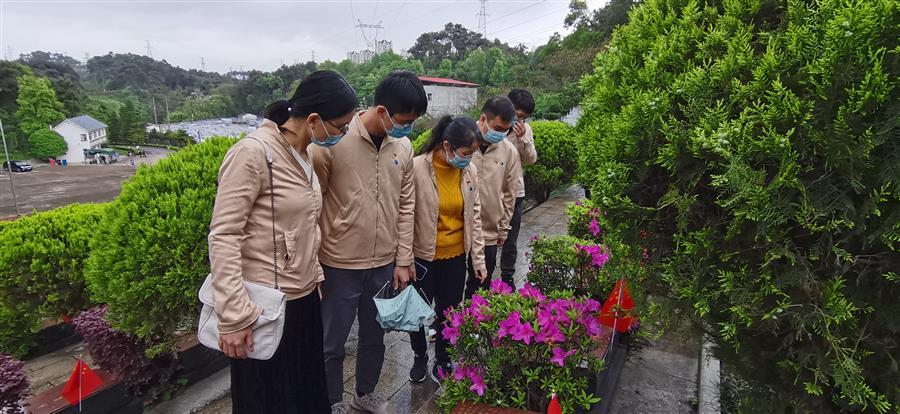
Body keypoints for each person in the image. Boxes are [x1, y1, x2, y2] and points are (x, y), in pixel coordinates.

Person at [207, 70, 357, 413]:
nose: (344, 134)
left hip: (302, 300)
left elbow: (306, 224)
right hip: (261, 305)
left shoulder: (305, 155)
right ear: (315, 119)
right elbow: (224, 235)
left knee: (305, 392)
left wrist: (315, 275)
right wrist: (233, 317)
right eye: (341, 127)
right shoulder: (252, 154)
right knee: (268, 399)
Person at [311, 70, 427, 414]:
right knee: (331, 342)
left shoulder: (402, 146)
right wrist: (314, 265)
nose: (407, 128)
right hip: (338, 262)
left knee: (376, 336)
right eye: (403, 120)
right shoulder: (331, 143)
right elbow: (312, 207)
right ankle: (331, 402)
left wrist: (403, 259)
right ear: (381, 111)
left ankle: (365, 394)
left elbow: (406, 205)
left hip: (383, 263)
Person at [407, 115, 487, 384]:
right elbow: (404, 216)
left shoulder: (469, 171)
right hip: (422, 257)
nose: (469, 159)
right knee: (417, 313)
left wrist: (477, 259)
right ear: (447, 145)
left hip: (454, 257)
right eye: (466, 153)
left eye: (473, 153)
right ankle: (419, 355)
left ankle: (443, 358)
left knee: (448, 313)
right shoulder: (417, 167)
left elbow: (474, 217)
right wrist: (403, 259)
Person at [464, 96, 522, 298]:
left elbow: (509, 193)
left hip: (488, 231)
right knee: (449, 288)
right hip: (456, 228)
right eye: (497, 127)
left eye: (505, 130)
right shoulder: (461, 141)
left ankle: (473, 327)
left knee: (480, 284)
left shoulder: (509, 152)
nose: (501, 133)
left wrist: (504, 228)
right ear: (482, 120)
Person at [499, 89, 538, 287]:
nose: (518, 120)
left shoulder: (525, 130)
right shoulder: (492, 125)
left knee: (510, 240)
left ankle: (507, 279)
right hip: (491, 192)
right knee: (486, 238)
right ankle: (481, 277)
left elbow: (530, 159)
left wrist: (523, 139)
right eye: (517, 115)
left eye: (523, 117)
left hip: (515, 192)